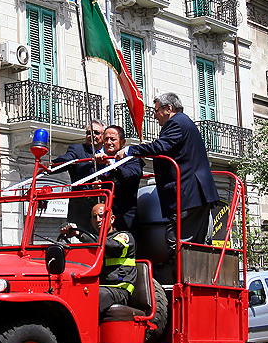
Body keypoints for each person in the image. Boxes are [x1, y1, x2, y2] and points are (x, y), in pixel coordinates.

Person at [116, 93, 219, 262]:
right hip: (196, 193)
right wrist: (148, 148)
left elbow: (163, 146)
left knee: (177, 240)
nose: (155, 115)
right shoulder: (183, 122)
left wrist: (129, 151)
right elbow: (170, 148)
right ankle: (194, 280)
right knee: (194, 243)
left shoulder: (176, 123)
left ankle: (184, 282)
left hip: (188, 193)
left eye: (157, 111)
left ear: (168, 109)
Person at [60, 203, 137, 315]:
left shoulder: (124, 237)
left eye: (101, 216)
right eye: (94, 217)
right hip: (98, 287)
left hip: (118, 290)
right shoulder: (93, 242)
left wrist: (79, 233)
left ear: (112, 219)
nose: (98, 220)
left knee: (94, 297)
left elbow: (112, 247)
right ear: (91, 221)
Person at [51, 121, 105, 225]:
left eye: (97, 133)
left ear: (103, 135)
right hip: (82, 208)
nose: (92, 135)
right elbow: (65, 160)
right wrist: (51, 165)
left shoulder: (110, 152)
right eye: (89, 133)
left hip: (105, 205)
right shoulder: (77, 150)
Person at [95, 124, 143, 232]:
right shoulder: (99, 161)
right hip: (101, 220)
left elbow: (129, 177)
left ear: (122, 142)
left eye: (113, 139)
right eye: (106, 139)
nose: (108, 142)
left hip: (125, 220)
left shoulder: (132, 159)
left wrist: (112, 165)